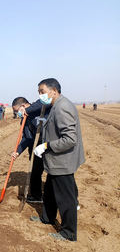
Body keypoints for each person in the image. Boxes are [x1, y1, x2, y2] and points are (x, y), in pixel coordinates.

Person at [31, 78, 85, 241]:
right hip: (56, 160)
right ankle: (47, 217)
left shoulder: (62, 107)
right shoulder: (55, 105)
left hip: (63, 161)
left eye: (42, 91)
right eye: (39, 92)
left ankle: (68, 233)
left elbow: (69, 139)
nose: (40, 95)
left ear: (53, 91)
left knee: (66, 198)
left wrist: (46, 146)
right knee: (50, 191)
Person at [11, 97, 51, 203]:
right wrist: (18, 151)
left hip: (49, 147)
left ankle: (71, 201)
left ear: (23, 106)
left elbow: (45, 101)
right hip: (35, 149)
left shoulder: (40, 108)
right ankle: (37, 196)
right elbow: (27, 138)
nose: (16, 113)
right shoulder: (24, 119)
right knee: (35, 172)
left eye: (16, 111)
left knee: (56, 175)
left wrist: (27, 111)